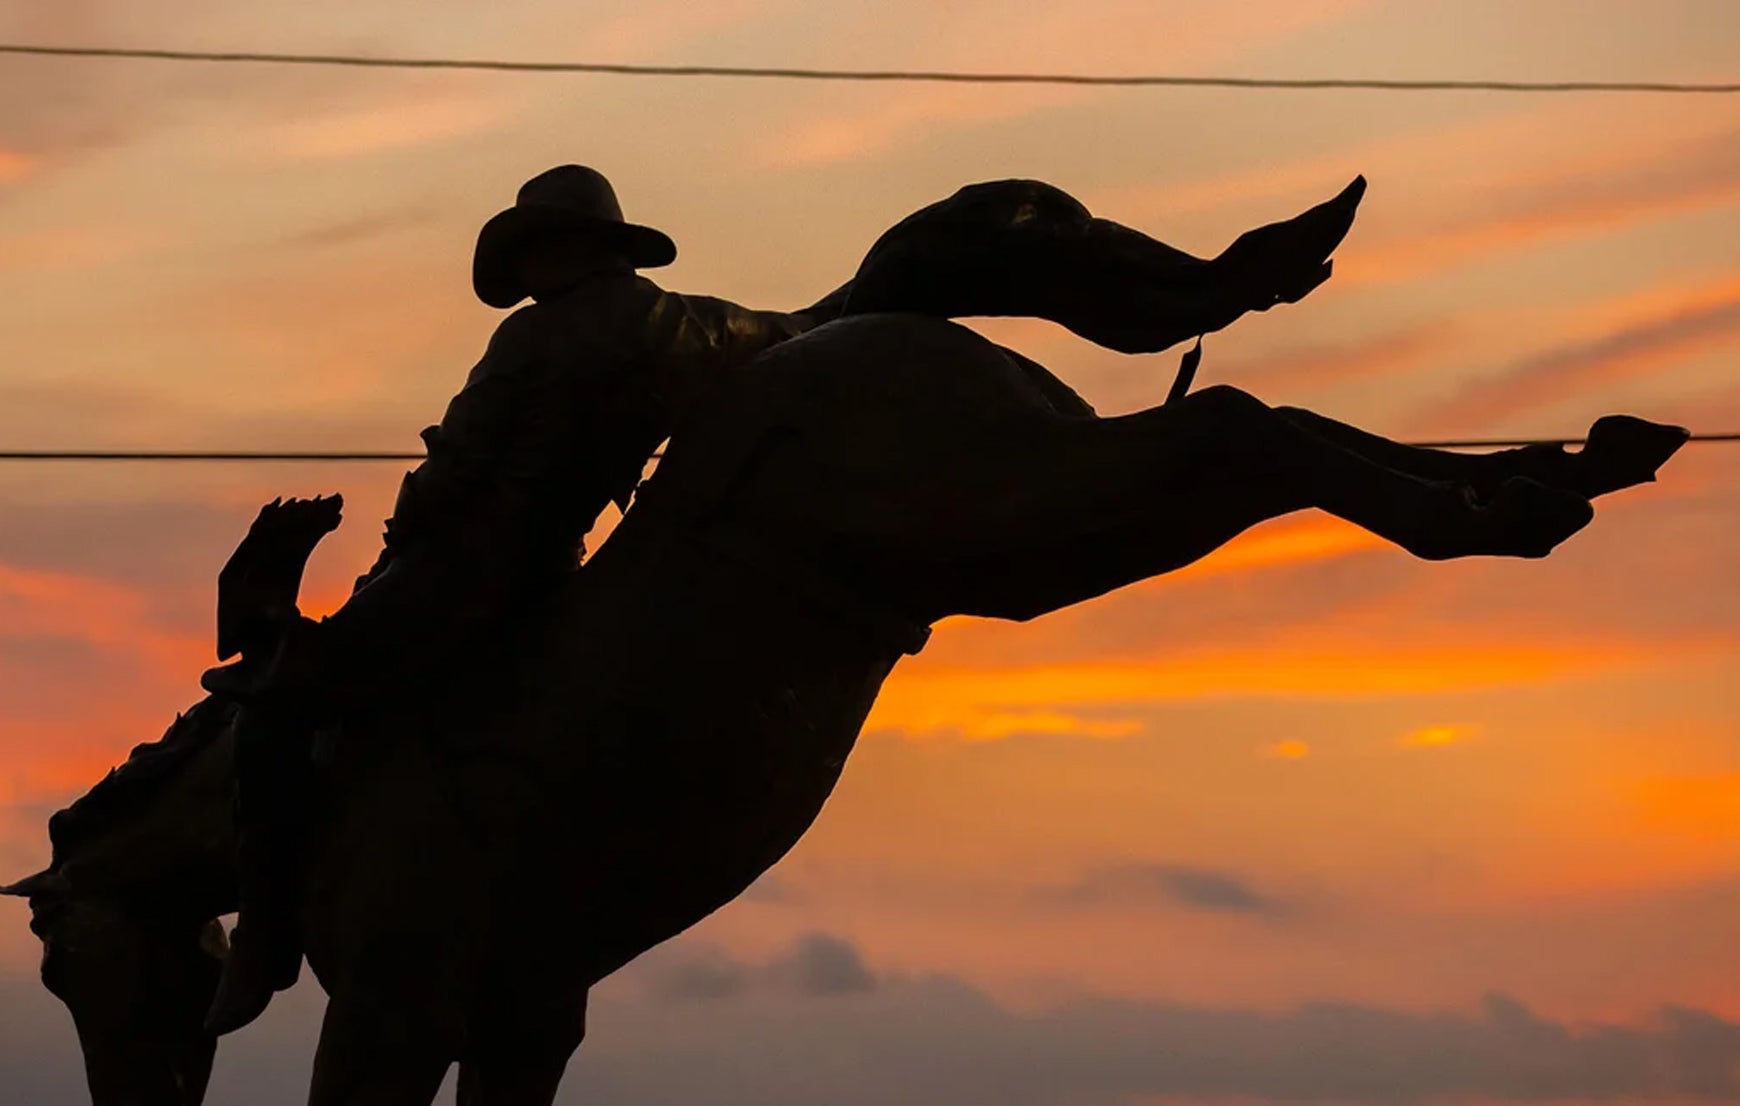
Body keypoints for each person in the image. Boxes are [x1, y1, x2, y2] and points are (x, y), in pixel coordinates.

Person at [195, 164, 1360, 1033]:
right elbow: (807, 327)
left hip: (450, 581)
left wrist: (360, 568)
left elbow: (457, 485)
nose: (537, 271)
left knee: (274, 699)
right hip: (547, 580)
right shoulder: (675, 326)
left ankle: (267, 939)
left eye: (537, 251)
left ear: (548, 254)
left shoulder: (532, 343)